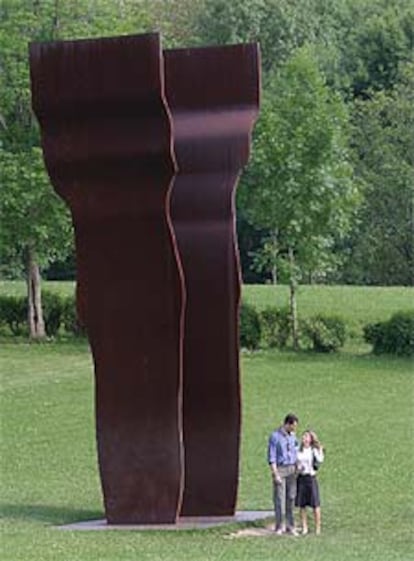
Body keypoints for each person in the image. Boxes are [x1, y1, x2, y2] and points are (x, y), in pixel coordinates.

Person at [267, 413, 299, 535]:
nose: (294, 429)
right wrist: (275, 473)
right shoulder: (275, 437)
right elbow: (272, 456)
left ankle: (290, 525)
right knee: (279, 498)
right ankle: (279, 525)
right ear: (287, 424)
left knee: (291, 497)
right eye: (293, 426)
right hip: (280, 468)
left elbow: (296, 450)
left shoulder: (293, 437)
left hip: (292, 468)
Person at [295, 430, 324, 535]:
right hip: (301, 477)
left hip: (310, 478)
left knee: (315, 504)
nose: (304, 438)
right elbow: (296, 462)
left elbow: (320, 460)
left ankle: (317, 527)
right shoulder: (298, 450)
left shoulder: (313, 450)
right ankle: (304, 527)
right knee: (302, 504)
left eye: (307, 437)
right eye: (303, 436)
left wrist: (320, 450)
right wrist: (298, 468)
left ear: (311, 439)